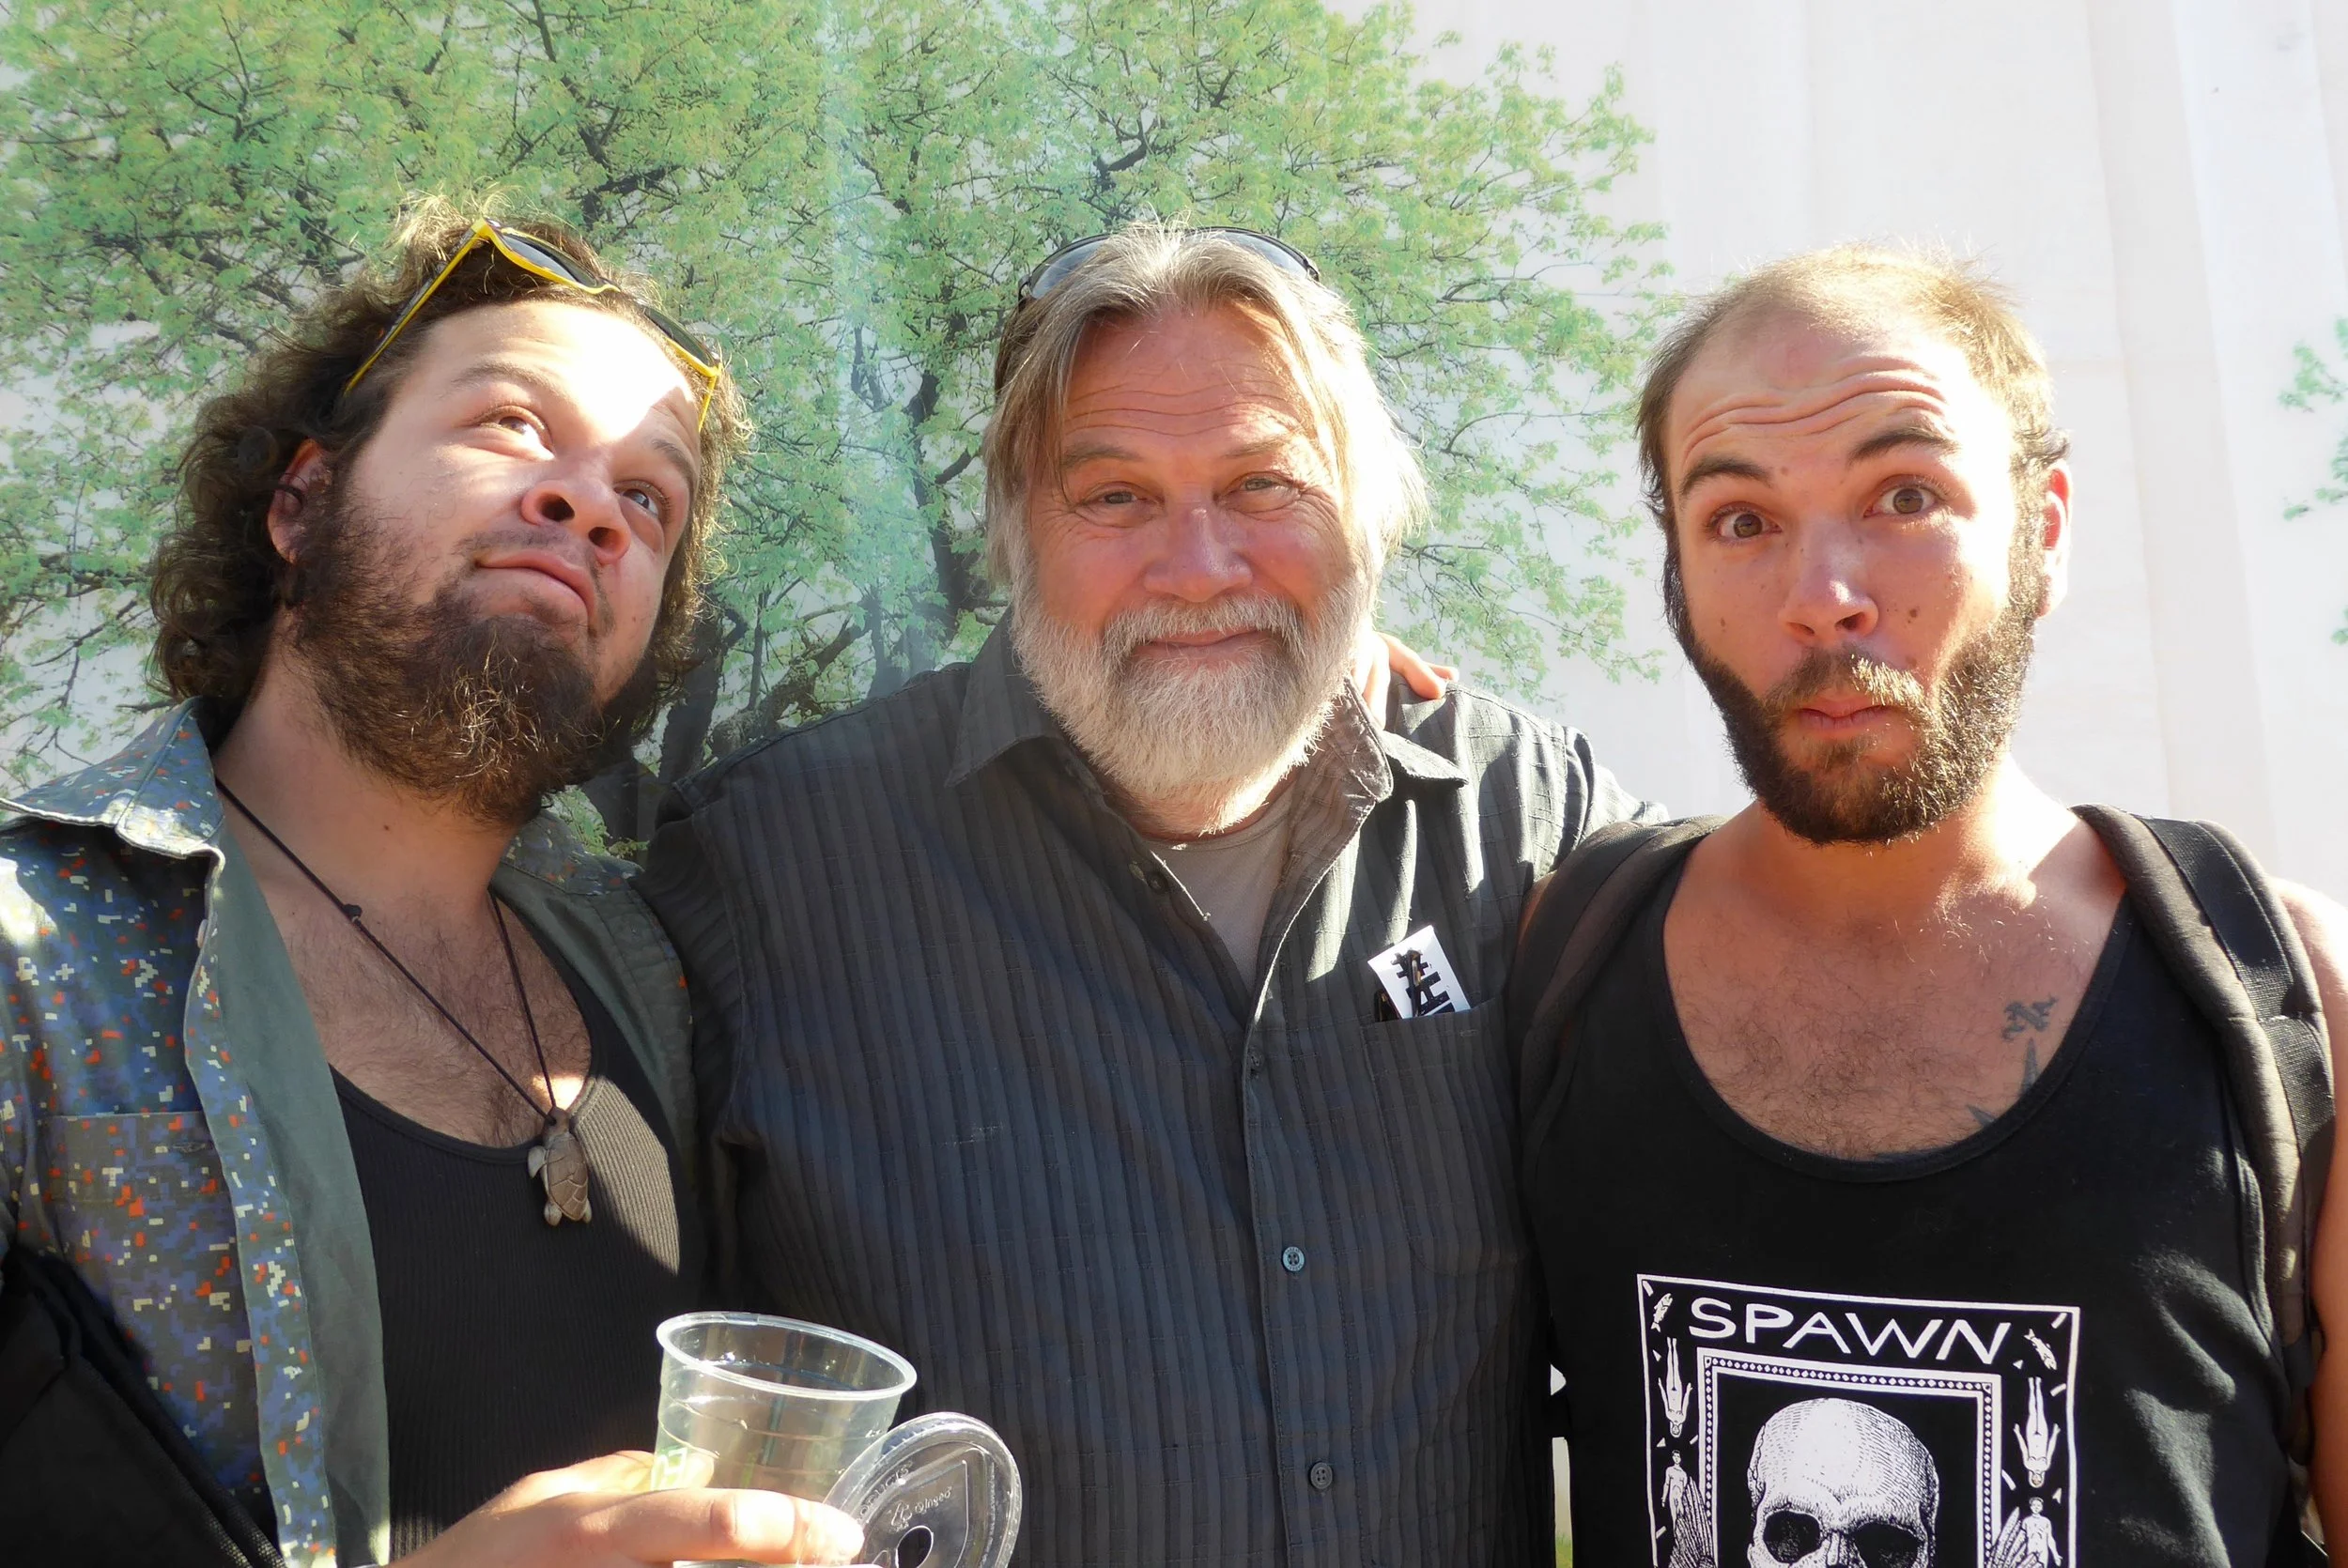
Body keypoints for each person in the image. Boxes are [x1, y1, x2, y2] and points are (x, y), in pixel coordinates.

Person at [639, 220, 1658, 1566]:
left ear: (1373, 515)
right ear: (1010, 535)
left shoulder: (1520, 818)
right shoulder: (767, 869)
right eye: (1114, 496)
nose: (1199, 569)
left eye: (1264, 486)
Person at [0, 202, 861, 1567]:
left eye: (652, 495)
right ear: (300, 499)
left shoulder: (654, 969)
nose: (589, 503)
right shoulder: (33, 958)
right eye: (512, 423)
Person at [1511, 245, 2348, 1565]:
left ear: (2045, 531)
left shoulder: (2284, 999)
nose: (1823, 595)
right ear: (1675, 566)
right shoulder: (1559, 964)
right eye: (1740, 519)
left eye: (1905, 493)